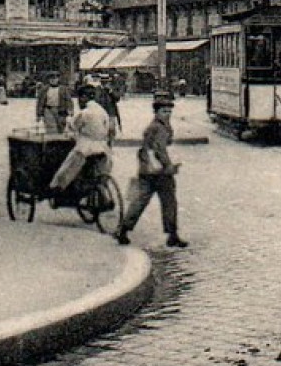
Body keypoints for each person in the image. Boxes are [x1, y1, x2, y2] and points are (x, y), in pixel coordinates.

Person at [117, 93, 187, 248]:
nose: (167, 114)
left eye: (169, 112)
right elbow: (160, 150)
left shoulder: (155, 125)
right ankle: (172, 235)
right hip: (160, 172)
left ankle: (123, 230)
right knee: (169, 202)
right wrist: (169, 165)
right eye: (164, 111)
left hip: (147, 170)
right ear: (156, 112)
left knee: (140, 201)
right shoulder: (159, 128)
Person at [50, 84, 113, 197]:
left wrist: (68, 120)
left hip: (86, 147)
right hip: (102, 147)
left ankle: (57, 188)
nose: (79, 102)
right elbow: (107, 128)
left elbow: (73, 126)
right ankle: (101, 188)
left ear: (84, 97)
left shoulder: (84, 113)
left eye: (79, 98)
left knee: (68, 165)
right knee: (101, 170)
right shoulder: (102, 111)